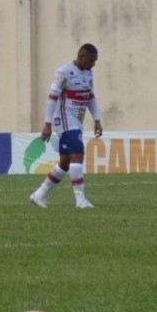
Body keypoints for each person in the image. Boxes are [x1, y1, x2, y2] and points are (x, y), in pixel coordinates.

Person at [29, 43, 103, 209]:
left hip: (76, 120)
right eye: (91, 60)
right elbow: (52, 98)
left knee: (65, 162)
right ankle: (80, 200)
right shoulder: (64, 72)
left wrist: (97, 120)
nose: (93, 64)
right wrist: (47, 124)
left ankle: (39, 195)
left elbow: (90, 97)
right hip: (64, 119)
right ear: (82, 57)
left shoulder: (88, 73)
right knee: (78, 153)